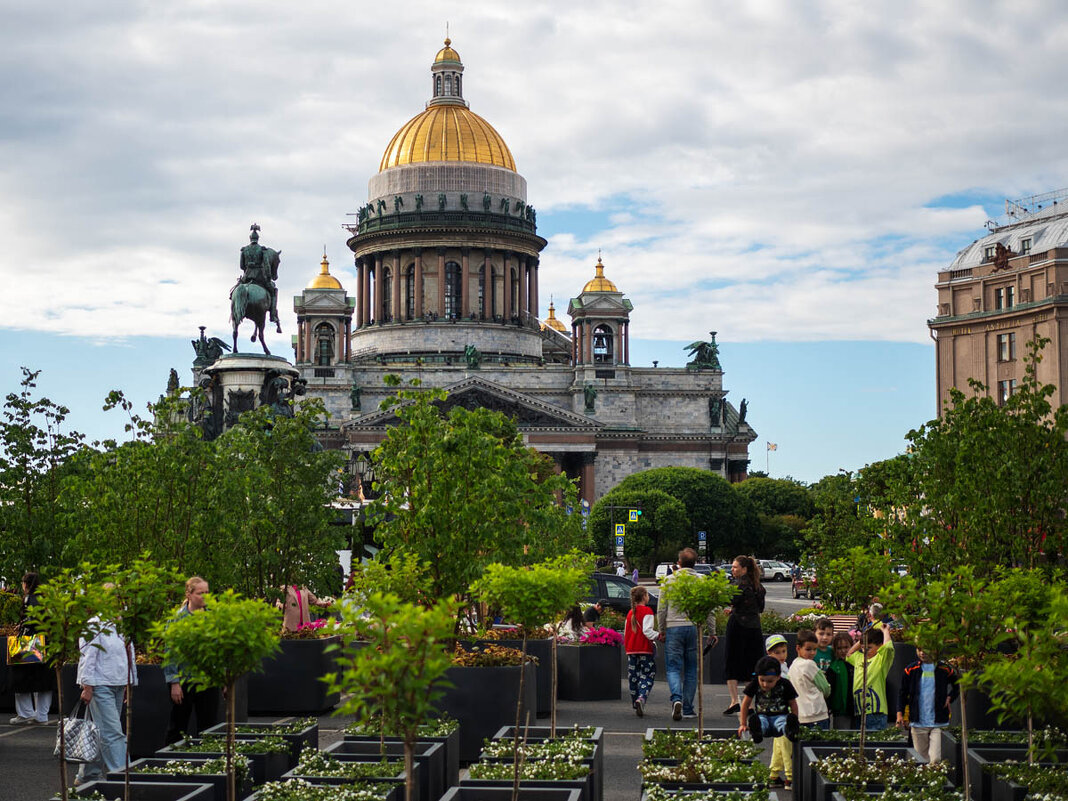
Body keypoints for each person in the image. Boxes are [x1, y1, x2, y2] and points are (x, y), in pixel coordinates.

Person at [75, 592, 136, 784]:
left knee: (102, 730)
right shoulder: (95, 625)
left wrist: (129, 682)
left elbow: (128, 654)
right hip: (100, 684)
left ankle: (87, 774)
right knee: (113, 732)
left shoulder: (120, 626)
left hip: (117, 683)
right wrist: (87, 685)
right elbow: (89, 656)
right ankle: (125, 778)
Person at [657, 547, 717, 721]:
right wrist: (712, 632)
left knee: (673, 667)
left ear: (679, 563)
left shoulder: (669, 581)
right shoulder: (702, 580)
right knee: (692, 669)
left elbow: (662, 608)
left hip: (673, 627)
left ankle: (676, 699)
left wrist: (662, 629)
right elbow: (710, 610)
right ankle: (689, 709)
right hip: (694, 628)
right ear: (695, 564)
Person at [163, 576, 220, 743]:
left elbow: (219, 650)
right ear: (189, 594)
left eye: (207, 593)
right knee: (178, 726)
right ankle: (171, 761)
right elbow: (170, 652)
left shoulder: (213, 618)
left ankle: (208, 762)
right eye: (200, 593)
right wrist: (174, 682)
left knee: (209, 727)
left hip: (208, 681)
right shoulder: (177, 619)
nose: (204, 596)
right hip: (185, 680)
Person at [896, 648, 959, 762]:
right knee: (921, 759)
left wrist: (950, 697)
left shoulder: (944, 668)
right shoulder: (910, 669)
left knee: (935, 758)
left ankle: (935, 774)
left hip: (939, 721)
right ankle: (929, 778)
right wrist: (900, 714)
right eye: (919, 649)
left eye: (925, 649)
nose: (922, 653)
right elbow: (902, 693)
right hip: (918, 722)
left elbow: (957, 685)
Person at [723, 555, 766, 715]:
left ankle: (734, 700)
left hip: (737, 626)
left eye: (735, 567)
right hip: (754, 627)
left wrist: (733, 609)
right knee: (751, 665)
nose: (732, 570)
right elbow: (759, 608)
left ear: (744, 569)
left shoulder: (738, 585)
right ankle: (750, 704)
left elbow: (729, 599)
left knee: (731, 661)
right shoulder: (758, 586)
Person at [9, 572, 54, 725]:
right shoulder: (44, 599)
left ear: (26, 584)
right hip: (45, 641)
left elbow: (29, 621)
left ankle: (25, 712)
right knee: (43, 680)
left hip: (28, 642)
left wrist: (22, 629)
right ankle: (42, 715)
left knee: (20, 678)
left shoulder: (29, 599)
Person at [738, 655, 800, 758]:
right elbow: (745, 703)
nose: (765, 684)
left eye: (770, 681)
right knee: (762, 722)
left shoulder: (785, 684)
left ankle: (790, 731)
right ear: (757, 676)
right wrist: (743, 724)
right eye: (762, 680)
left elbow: (793, 703)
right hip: (763, 715)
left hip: (780, 715)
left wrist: (795, 719)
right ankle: (757, 732)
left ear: (778, 676)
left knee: (782, 723)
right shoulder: (754, 684)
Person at [847, 622, 895, 730]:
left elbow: (888, 648)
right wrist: (862, 639)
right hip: (860, 710)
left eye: (869, 648)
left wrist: (885, 631)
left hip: (875, 711)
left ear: (879, 646)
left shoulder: (881, 659)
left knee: (874, 744)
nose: (865, 651)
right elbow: (849, 654)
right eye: (863, 648)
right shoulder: (859, 658)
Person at [765, 634, 797, 789]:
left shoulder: (783, 666)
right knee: (786, 745)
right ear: (769, 653)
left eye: (784, 651)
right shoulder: (771, 672)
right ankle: (790, 777)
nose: (782, 655)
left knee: (779, 744)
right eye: (777, 652)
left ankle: (774, 774)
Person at [624, 586, 658, 717]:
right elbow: (647, 631)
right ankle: (642, 697)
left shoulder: (630, 613)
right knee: (648, 674)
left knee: (634, 676)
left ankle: (635, 701)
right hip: (644, 648)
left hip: (631, 649)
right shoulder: (647, 611)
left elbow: (627, 632)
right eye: (648, 594)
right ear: (644, 596)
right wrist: (659, 636)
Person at [826, 631, 855, 729]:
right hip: (841, 711)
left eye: (846, 647)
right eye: (839, 648)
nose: (843, 651)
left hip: (857, 709)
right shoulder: (834, 667)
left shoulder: (857, 664)